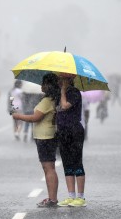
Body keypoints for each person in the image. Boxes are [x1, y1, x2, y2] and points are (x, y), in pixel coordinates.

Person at [12, 73, 60, 207]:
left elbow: (36, 117)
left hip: (45, 136)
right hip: (47, 135)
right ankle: (52, 198)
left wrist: (19, 116)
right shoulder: (51, 99)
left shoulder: (47, 101)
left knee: (49, 168)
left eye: (43, 83)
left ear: (48, 85)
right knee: (48, 168)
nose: (41, 86)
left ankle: (52, 199)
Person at [56, 73, 87, 207]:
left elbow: (64, 106)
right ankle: (71, 195)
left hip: (74, 130)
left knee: (76, 162)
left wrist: (62, 92)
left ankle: (80, 197)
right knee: (67, 163)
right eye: (59, 79)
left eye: (62, 79)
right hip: (63, 131)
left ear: (70, 80)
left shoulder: (74, 92)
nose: (60, 82)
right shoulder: (60, 93)